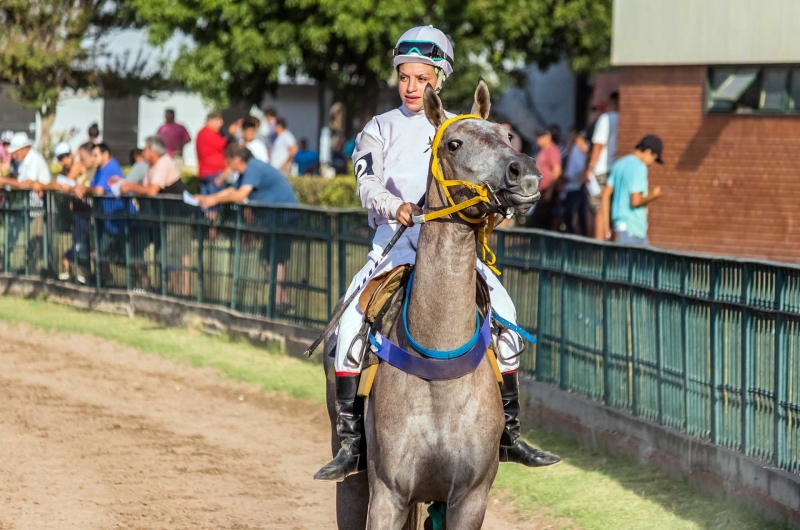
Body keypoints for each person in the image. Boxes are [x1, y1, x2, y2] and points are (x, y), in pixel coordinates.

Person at [314, 25, 560, 484]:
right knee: (347, 329)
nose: (410, 86)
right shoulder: (378, 128)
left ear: (439, 79)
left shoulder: (464, 130)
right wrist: (397, 207)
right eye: (404, 76)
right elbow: (367, 185)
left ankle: (509, 433)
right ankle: (351, 444)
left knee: (506, 323)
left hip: (455, 254)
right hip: (393, 250)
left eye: (421, 78)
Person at [601, 135, 665, 246]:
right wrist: (654, 195)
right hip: (633, 228)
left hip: (619, 227)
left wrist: (606, 227)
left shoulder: (618, 164)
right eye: (654, 158)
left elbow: (606, 195)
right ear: (648, 151)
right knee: (641, 262)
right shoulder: (640, 167)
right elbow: (635, 201)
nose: (652, 163)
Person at [195, 143, 297, 208]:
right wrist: (206, 198)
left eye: (228, 159)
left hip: (283, 213)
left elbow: (240, 195)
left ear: (237, 159)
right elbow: (232, 190)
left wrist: (214, 200)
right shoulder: (245, 171)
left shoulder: (253, 167)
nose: (226, 163)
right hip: (275, 214)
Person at [586, 91, 619, 240]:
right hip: (615, 168)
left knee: (599, 209)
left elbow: (598, 145)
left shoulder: (606, 118)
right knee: (612, 209)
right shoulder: (624, 119)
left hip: (602, 168)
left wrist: (590, 167)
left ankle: (599, 246)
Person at [112, 136, 184, 196]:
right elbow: (145, 187)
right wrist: (122, 183)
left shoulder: (163, 162)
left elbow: (152, 191)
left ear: (153, 152)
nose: (143, 153)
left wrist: (130, 187)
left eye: (145, 150)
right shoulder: (151, 165)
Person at [528, 127, 562, 230]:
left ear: (547, 137)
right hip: (540, 191)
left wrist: (550, 191)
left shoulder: (552, 150)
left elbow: (557, 170)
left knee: (542, 223)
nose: (537, 140)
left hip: (547, 191)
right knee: (537, 222)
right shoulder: (541, 151)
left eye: (540, 137)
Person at [562, 127, 590, 235]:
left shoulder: (580, 147)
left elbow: (578, 169)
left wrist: (567, 177)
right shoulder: (573, 148)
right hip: (571, 187)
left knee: (576, 217)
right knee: (570, 216)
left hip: (576, 187)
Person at [196, 111, 231, 195]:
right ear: (212, 121)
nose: (220, 125)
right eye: (219, 122)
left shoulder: (202, 133)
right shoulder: (208, 134)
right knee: (214, 204)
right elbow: (224, 145)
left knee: (207, 203)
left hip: (206, 173)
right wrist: (230, 134)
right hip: (214, 174)